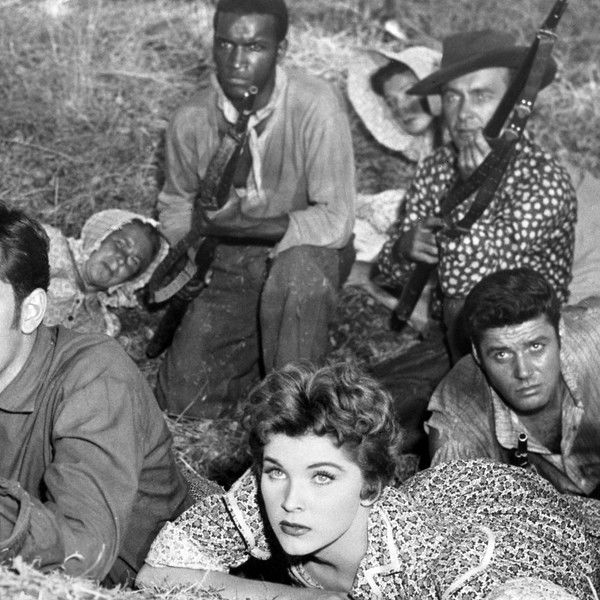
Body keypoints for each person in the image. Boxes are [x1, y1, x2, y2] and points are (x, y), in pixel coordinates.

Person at [137, 362, 600, 599]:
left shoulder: (446, 562)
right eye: (275, 471)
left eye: (323, 477)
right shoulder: (269, 494)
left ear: (371, 485)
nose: (291, 501)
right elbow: (158, 573)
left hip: (532, 521)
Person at [371, 29, 576, 457]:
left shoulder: (544, 181)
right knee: (365, 408)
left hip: (525, 354)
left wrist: (477, 189)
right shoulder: (435, 168)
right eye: (453, 97)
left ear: (514, 106)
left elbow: (466, 280)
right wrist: (406, 247)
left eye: (481, 96)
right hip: (452, 343)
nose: (463, 113)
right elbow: (389, 272)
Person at [155, 0, 355, 418]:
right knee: (183, 398)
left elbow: (336, 220)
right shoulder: (191, 119)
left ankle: (295, 409)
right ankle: (263, 355)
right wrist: (189, 257)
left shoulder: (316, 104)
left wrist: (243, 225)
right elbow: (176, 201)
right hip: (229, 260)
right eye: (225, 44)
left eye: (254, 47)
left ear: (281, 49)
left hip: (302, 252)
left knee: (298, 280)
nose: (236, 60)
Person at [0, 204, 191, 585]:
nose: (120, 260)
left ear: (31, 310)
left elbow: (84, 551)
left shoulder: (96, 376)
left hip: (135, 580)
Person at [427, 267, 600, 497]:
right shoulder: (458, 424)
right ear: (477, 354)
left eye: (535, 346)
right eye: (502, 354)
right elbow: (454, 512)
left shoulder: (595, 337)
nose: (523, 372)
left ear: (560, 332)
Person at [345, 45, 443, 317]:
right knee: (355, 220)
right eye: (391, 102)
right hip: (432, 241)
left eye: (409, 91)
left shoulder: (464, 141)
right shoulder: (429, 146)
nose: (401, 107)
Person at [43, 209, 168, 336]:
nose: (121, 259)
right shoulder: (48, 249)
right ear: (99, 237)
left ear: (131, 279)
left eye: (134, 261)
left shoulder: (102, 329)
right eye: (120, 244)